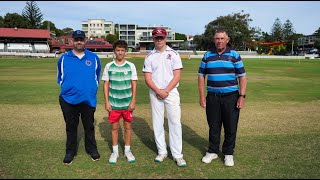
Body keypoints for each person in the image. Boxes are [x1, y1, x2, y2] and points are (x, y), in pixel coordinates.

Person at [198, 29, 247, 167]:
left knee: (231, 126)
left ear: (227, 39)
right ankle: (212, 151)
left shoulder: (234, 55)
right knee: (213, 126)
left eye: (222, 38)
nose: (219, 41)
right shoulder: (207, 55)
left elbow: (242, 77)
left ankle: (228, 153)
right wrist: (202, 96)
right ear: (214, 40)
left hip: (231, 97)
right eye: (217, 38)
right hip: (212, 97)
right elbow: (201, 76)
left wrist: (241, 96)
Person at [142, 27, 187, 167]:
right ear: (153, 39)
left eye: (161, 37)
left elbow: (177, 75)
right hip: (155, 92)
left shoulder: (173, 54)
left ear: (165, 38)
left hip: (171, 92)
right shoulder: (149, 56)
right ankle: (162, 151)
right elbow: (148, 78)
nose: (159, 40)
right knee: (157, 122)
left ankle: (177, 155)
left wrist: (166, 90)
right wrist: (158, 91)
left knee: (174, 123)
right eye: (156, 37)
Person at [57, 30, 101, 165]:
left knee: (89, 126)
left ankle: (91, 149)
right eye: (76, 39)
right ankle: (70, 151)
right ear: (72, 41)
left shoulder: (93, 58)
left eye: (81, 39)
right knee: (71, 127)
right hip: (68, 100)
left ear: (85, 40)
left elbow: (97, 76)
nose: (79, 42)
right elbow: (60, 78)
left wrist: (90, 89)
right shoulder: (64, 58)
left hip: (87, 99)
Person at [102, 40, 138, 164]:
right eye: (118, 50)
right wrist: (107, 102)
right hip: (114, 104)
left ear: (126, 52)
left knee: (128, 127)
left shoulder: (131, 66)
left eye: (122, 50)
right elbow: (106, 84)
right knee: (114, 128)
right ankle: (115, 152)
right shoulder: (109, 66)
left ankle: (127, 151)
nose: (120, 52)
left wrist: (133, 101)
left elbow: (134, 84)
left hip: (127, 104)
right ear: (114, 51)